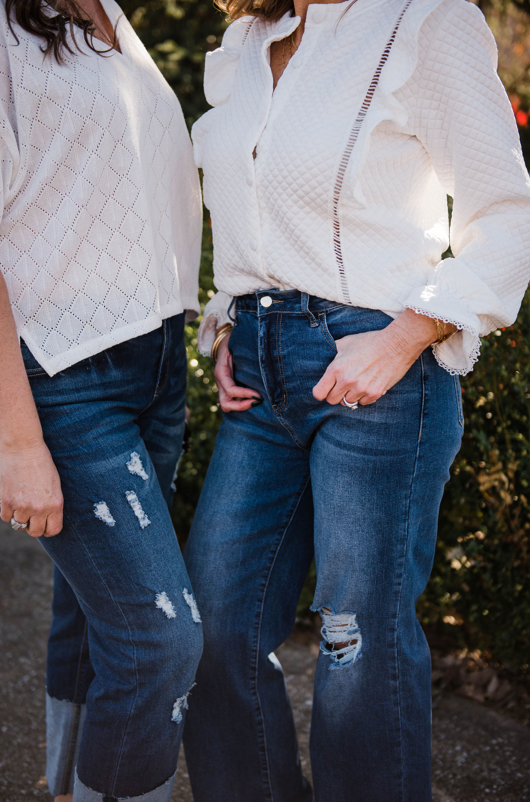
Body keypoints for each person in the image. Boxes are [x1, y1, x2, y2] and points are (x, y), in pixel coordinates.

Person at [182, 0, 530, 799]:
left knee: (355, 643)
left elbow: (507, 215)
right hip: (262, 373)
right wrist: (229, 321)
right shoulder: (248, 41)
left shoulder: (424, 22)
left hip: (376, 369)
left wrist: (405, 336)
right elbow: (248, 213)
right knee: (213, 627)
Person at [0, 0, 203, 799]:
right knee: (161, 640)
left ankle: (64, 783)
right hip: (63, 376)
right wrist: (16, 441)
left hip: (155, 363)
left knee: (95, 614)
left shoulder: (108, 13)